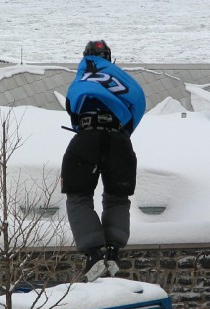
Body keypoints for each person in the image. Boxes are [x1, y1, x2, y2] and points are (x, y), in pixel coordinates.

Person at [61, 40, 146, 282]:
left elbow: (73, 111)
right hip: (120, 141)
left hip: (86, 140)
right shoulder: (123, 81)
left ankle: (93, 255)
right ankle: (113, 252)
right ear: (109, 59)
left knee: (78, 196)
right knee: (118, 198)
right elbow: (138, 106)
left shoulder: (81, 80)